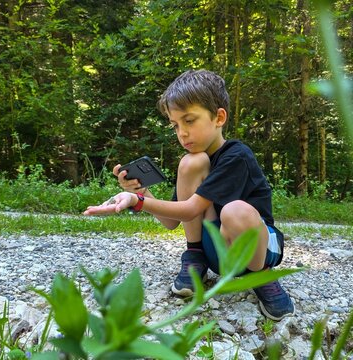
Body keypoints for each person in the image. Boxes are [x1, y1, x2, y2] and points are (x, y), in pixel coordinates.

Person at [83, 69, 295, 321]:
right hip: (216, 250)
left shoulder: (237, 155)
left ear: (219, 117)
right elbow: (172, 221)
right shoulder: (195, 162)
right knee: (189, 163)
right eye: (175, 125)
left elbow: (191, 209)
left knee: (235, 210)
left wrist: (136, 202)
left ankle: (263, 275)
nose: (181, 132)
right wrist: (140, 192)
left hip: (257, 248)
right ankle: (194, 255)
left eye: (189, 120)